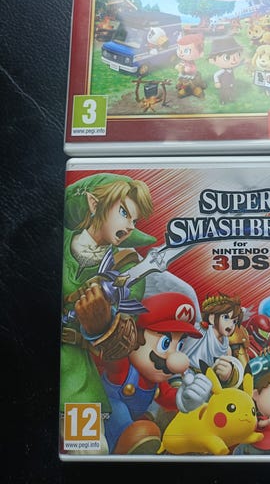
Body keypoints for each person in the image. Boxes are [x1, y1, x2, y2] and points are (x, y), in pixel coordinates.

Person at [60, 173, 156, 449]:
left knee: (89, 448)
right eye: (124, 212)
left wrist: (102, 325)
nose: (130, 226)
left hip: (75, 374)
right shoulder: (58, 238)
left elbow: (125, 340)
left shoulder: (127, 267)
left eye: (134, 221)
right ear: (94, 204)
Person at [101, 292, 212, 455]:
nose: (175, 357)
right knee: (120, 411)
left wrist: (186, 398)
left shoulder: (155, 382)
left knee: (153, 426)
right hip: (107, 426)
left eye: (179, 345)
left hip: (135, 424)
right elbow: (109, 357)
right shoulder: (122, 368)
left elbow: (166, 396)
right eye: (165, 343)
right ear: (134, 337)